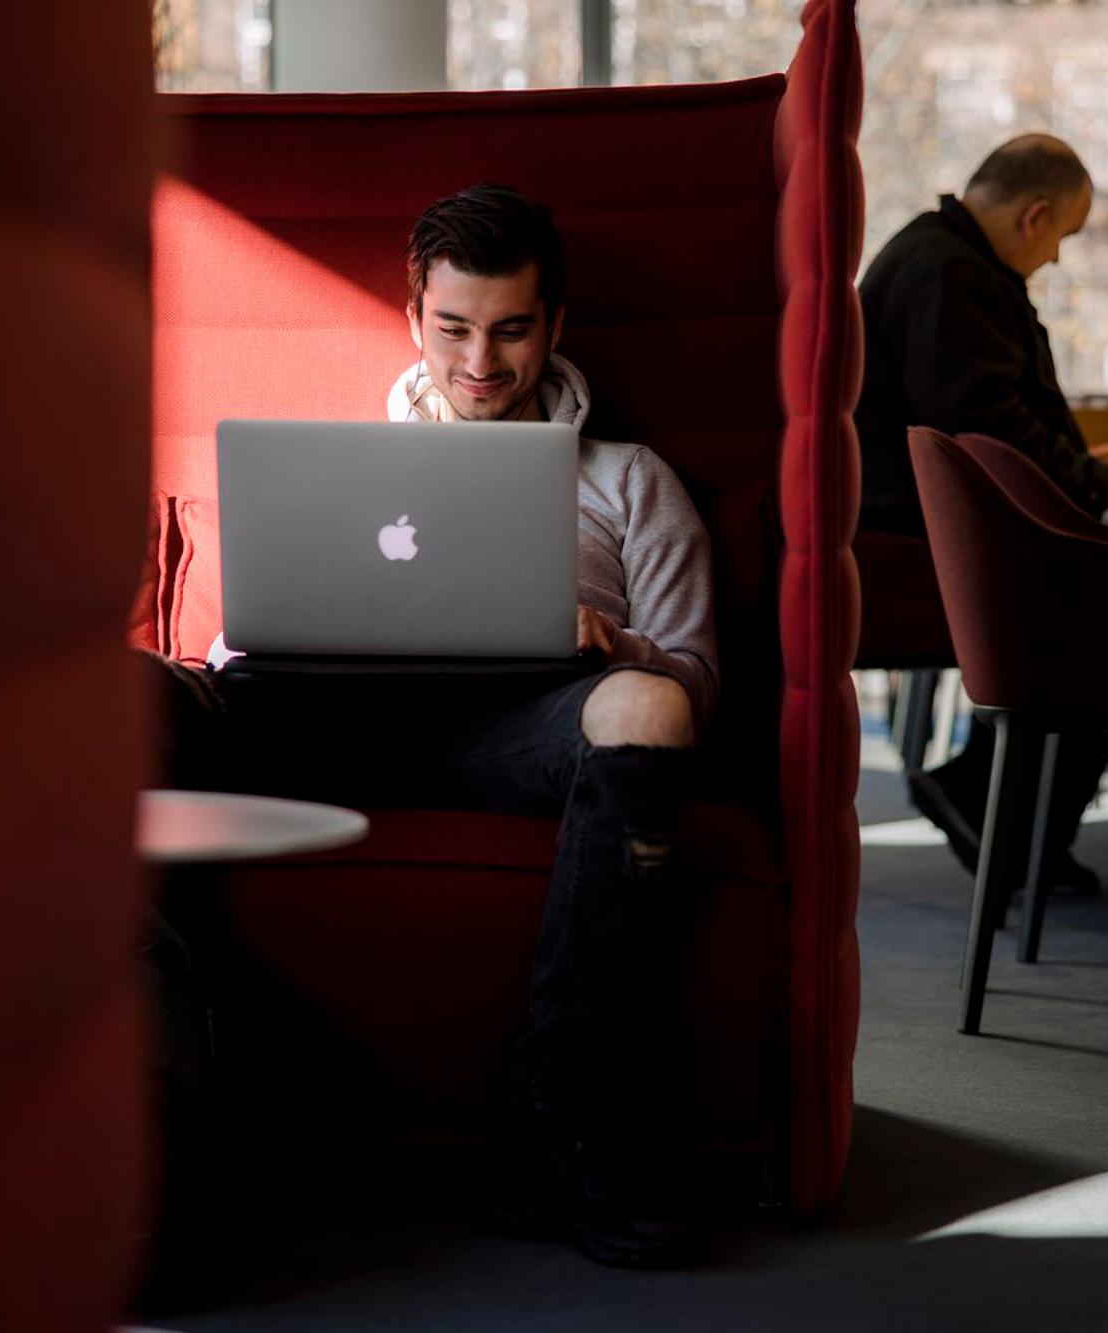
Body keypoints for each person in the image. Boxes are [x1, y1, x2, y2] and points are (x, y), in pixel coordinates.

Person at [157, 184, 716, 1269]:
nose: (479, 362)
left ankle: (554, 1129)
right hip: (326, 725)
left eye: (510, 329)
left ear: (555, 326)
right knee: (133, 694)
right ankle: (198, 1080)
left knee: (650, 705)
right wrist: (245, 651)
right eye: (453, 328)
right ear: (414, 318)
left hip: (520, 734)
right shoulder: (340, 476)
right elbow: (238, 651)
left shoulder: (627, 480)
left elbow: (697, 678)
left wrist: (606, 639)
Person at [856, 134, 1108, 887]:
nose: (1056, 257)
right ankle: (990, 804)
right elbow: (983, 425)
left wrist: (1085, 466)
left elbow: (985, 414)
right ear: (1035, 216)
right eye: (1064, 235)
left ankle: (997, 808)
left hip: (915, 528)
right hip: (919, 542)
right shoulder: (951, 272)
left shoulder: (942, 259)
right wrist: (1093, 479)